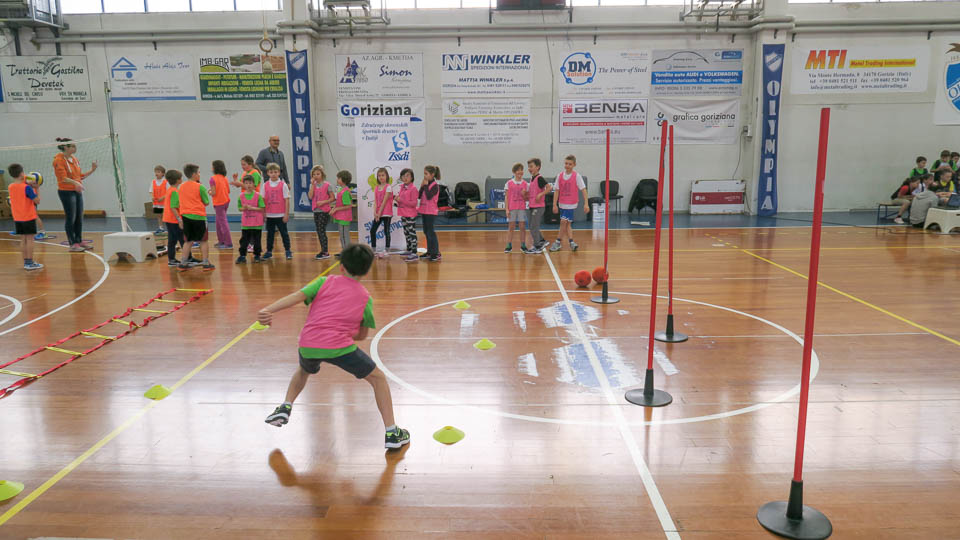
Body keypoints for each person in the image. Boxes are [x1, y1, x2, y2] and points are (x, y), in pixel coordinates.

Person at [259, 243, 411, 449]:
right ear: (367, 271)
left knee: (303, 371)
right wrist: (343, 331)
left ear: (341, 267)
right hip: (340, 348)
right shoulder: (365, 298)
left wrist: (268, 310)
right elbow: (361, 336)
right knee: (378, 379)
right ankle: (392, 433)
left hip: (308, 344)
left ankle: (285, 406)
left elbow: (297, 296)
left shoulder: (324, 282)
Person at [53, 137, 97, 252]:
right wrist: (76, 183)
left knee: (79, 217)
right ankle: (72, 244)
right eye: (72, 146)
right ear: (65, 147)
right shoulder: (58, 160)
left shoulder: (74, 159)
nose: (75, 147)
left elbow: (79, 176)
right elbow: (63, 178)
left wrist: (92, 170)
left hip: (77, 191)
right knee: (71, 217)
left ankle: (79, 240)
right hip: (66, 192)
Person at [171, 163, 215, 272]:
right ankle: (206, 263)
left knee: (188, 241)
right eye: (198, 172)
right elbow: (206, 202)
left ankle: (183, 263)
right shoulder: (200, 187)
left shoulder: (181, 187)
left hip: (186, 217)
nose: (199, 174)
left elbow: (178, 203)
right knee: (203, 241)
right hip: (199, 217)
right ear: (194, 174)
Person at [7, 163, 43, 271]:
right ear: (22, 173)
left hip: (18, 217)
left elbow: (20, 185)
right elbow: (37, 201)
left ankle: (26, 262)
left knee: (23, 239)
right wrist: (37, 188)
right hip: (28, 216)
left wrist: (27, 181)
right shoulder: (27, 188)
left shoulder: (11, 186)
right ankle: (30, 263)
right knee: (30, 239)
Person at [550, 155, 589, 252]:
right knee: (567, 224)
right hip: (562, 203)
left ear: (574, 165)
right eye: (566, 163)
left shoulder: (577, 176)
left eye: (570, 164)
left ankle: (558, 242)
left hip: (571, 204)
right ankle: (571, 242)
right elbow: (556, 190)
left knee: (563, 222)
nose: (567, 165)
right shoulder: (559, 176)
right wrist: (554, 204)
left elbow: (583, 190)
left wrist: (586, 203)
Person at [260, 163, 293, 260]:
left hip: (281, 214)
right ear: (268, 173)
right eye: (271, 172)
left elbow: (287, 200)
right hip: (269, 215)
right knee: (270, 234)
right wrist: (263, 213)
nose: (273, 174)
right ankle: (269, 251)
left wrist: (286, 214)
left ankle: (288, 250)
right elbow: (262, 200)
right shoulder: (265, 185)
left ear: (279, 173)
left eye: (275, 172)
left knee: (284, 234)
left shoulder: (283, 185)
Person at [236, 174, 265, 264]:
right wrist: (244, 208)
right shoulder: (241, 196)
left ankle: (257, 255)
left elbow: (262, 208)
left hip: (256, 223)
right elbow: (240, 208)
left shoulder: (258, 196)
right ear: (244, 184)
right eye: (246, 183)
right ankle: (242, 256)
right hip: (246, 223)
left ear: (254, 184)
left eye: (250, 183)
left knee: (257, 241)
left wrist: (252, 208)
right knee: (244, 241)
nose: (248, 185)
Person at [308, 165, 334, 261]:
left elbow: (332, 198)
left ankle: (325, 252)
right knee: (319, 230)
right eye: (314, 174)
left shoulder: (327, 185)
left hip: (324, 211)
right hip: (316, 210)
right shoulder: (313, 185)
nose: (316, 176)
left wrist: (323, 202)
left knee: (321, 229)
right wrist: (312, 185)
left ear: (322, 174)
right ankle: (323, 250)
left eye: (318, 174)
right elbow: (310, 196)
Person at [162, 169, 186, 267]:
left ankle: (171, 259)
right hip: (174, 220)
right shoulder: (175, 191)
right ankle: (188, 258)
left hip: (168, 219)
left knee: (172, 240)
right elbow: (173, 207)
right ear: (178, 180)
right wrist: (179, 220)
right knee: (182, 240)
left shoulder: (170, 190)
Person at [504, 163, 529, 254]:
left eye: (521, 170)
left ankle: (523, 245)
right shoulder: (509, 183)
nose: (520, 172)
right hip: (512, 208)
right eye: (518, 170)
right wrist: (507, 209)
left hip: (521, 208)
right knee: (511, 227)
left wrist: (524, 194)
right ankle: (508, 245)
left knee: (522, 227)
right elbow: (506, 197)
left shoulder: (525, 184)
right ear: (514, 172)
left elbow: (527, 198)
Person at [527, 157, 551, 252]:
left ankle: (537, 246)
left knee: (534, 226)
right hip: (532, 206)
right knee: (532, 226)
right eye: (528, 167)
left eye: (531, 166)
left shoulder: (539, 178)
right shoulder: (532, 178)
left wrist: (541, 194)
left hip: (538, 207)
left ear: (537, 167)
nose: (529, 168)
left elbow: (549, 188)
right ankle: (541, 241)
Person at [396, 168, 420, 263]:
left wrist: (401, 200)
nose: (405, 178)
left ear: (412, 177)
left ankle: (414, 253)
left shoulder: (413, 188)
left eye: (407, 176)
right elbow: (402, 200)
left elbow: (414, 203)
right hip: (403, 213)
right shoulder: (402, 187)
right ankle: (409, 250)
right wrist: (397, 200)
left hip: (410, 214)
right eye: (403, 176)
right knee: (406, 232)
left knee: (411, 233)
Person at [370, 168, 394, 258]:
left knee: (386, 231)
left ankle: (387, 250)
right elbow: (376, 201)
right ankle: (373, 249)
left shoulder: (388, 187)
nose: (381, 177)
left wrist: (379, 213)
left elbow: (384, 201)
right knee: (372, 230)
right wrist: (375, 212)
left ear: (386, 176)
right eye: (379, 175)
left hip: (386, 213)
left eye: (383, 175)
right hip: (378, 213)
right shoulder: (376, 187)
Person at [209, 160, 233, 250]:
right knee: (219, 222)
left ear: (215, 168)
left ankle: (228, 243)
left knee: (222, 223)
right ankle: (221, 241)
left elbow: (213, 193)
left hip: (219, 203)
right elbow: (228, 191)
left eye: (212, 166)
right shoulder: (224, 178)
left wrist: (209, 192)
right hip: (226, 201)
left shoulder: (212, 179)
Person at [419, 165, 441, 262]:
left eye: (426, 174)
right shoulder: (426, 184)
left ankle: (436, 253)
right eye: (424, 173)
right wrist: (421, 187)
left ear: (432, 175)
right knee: (426, 231)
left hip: (431, 212)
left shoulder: (435, 186)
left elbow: (428, 196)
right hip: (424, 210)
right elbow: (419, 195)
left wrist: (426, 185)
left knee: (431, 232)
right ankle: (429, 251)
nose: (425, 176)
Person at [331, 170, 354, 259]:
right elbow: (339, 203)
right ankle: (344, 251)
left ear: (343, 179)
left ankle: (347, 253)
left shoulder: (345, 191)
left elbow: (349, 205)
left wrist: (336, 209)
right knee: (342, 236)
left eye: (338, 178)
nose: (337, 179)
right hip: (341, 216)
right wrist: (334, 208)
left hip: (345, 217)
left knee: (345, 236)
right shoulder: (341, 189)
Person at [149, 165, 168, 235]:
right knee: (159, 216)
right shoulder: (153, 182)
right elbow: (150, 191)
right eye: (156, 172)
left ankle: (169, 228)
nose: (156, 173)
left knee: (166, 216)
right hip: (157, 203)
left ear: (163, 173)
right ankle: (161, 228)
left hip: (165, 203)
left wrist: (163, 198)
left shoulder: (166, 182)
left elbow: (169, 192)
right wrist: (152, 197)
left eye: (158, 172)